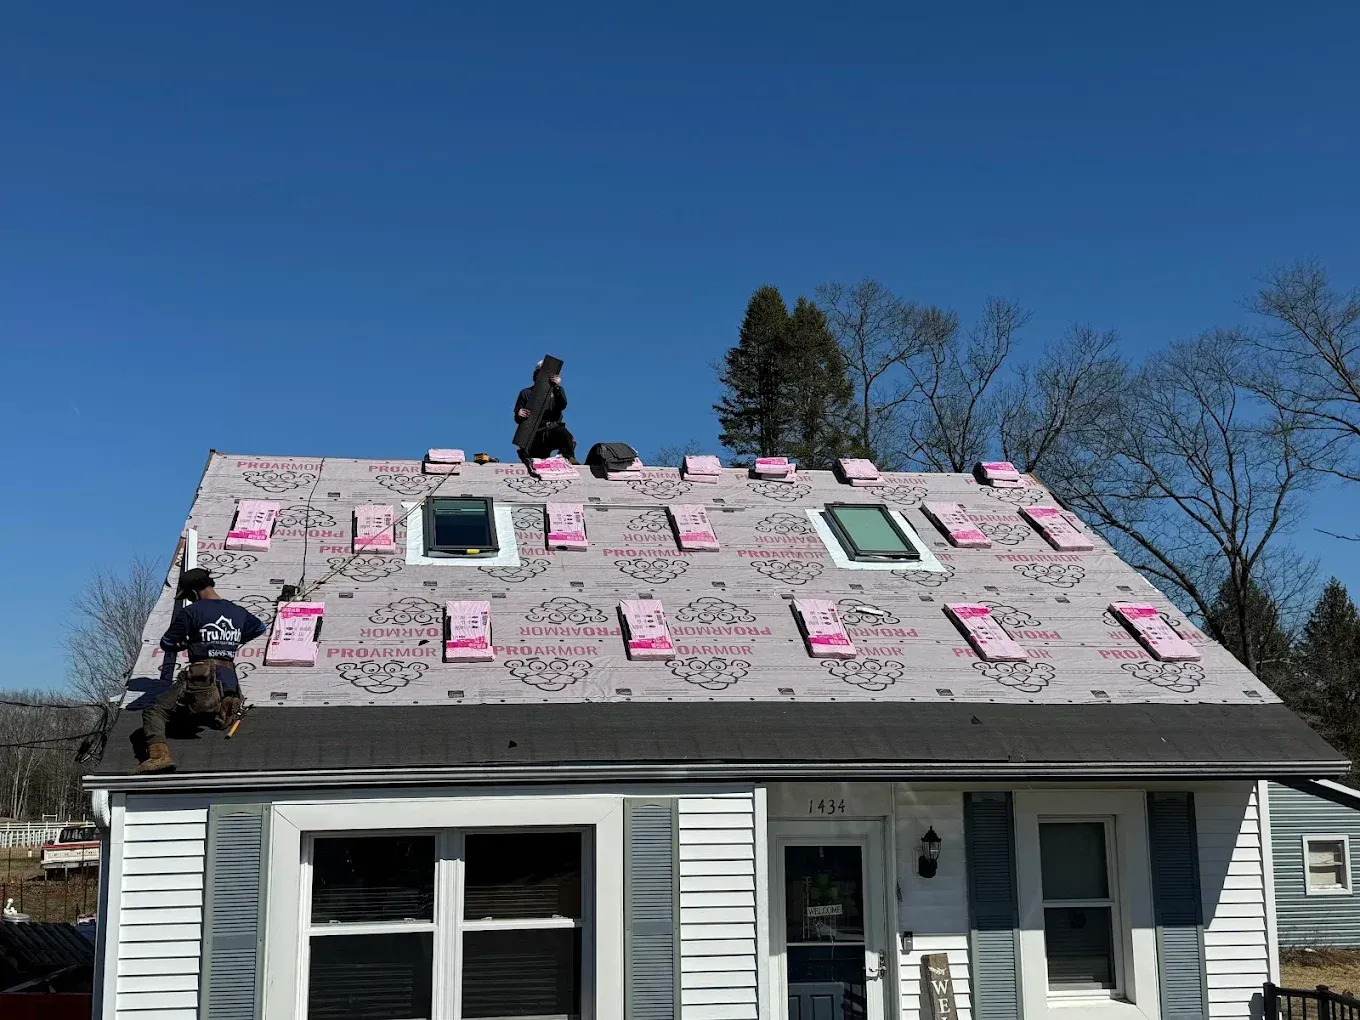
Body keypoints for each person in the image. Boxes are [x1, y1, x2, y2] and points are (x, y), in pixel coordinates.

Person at [134, 567, 267, 774]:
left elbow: (168, 642)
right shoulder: (237, 611)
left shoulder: (192, 612)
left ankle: (159, 757)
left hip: (202, 679)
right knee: (194, 716)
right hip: (229, 681)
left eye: (188, 595)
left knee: (155, 711)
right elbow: (259, 628)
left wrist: (190, 643)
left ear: (194, 592)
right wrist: (230, 642)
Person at [514, 361, 578, 463]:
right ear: (536, 374)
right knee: (536, 460)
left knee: (565, 435)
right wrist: (519, 413)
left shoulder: (556, 390)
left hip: (553, 428)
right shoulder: (526, 393)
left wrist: (557, 387)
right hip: (535, 432)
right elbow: (517, 418)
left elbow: (562, 405)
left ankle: (569, 457)